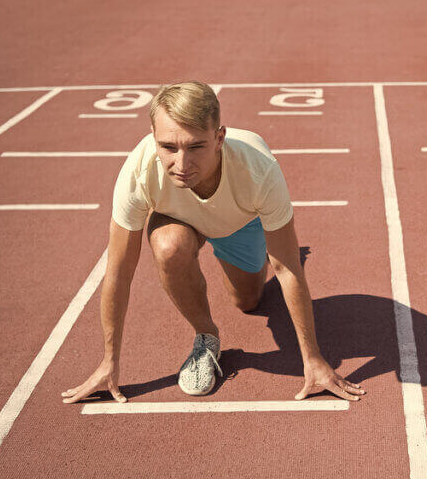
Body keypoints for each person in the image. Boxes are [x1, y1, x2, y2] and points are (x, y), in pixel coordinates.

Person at [61, 81, 365, 403]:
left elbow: (286, 268)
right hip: (177, 216)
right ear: (153, 138)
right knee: (168, 247)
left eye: (195, 147)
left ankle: (251, 254)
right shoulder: (139, 171)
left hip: (239, 221)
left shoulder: (258, 170)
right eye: (168, 147)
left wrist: (313, 358)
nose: (181, 165)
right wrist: (109, 361)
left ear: (219, 138)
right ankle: (206, 338)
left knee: (248, 302)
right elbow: (119, 271)